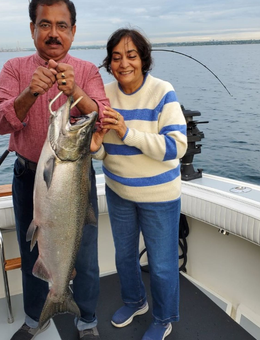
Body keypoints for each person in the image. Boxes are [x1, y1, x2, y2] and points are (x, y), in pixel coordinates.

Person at [0, 1, 109, 339]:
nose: (53, 33)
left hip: (75, 177)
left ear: (73, 31)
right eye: (45, 24)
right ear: (32, 29)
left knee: (83, 257)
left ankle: (86, 320)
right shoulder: (14, 69)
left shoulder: (86, 71)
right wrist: (30, 92)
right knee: (33, 254)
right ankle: (34, 317)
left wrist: (77, 92)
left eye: (61, 25)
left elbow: (103, 117)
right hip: (29, 177)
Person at [91, 28, 187, 340]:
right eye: (116, 57)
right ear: (109, 62)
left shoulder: (163, 91)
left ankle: (163, 318)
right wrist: (94, 148)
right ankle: (135, 302)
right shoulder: (103, 95)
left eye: (131, 56)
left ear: (143, 59)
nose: (124, 63)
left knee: (161, 265)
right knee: (124, 256)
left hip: (160, 196)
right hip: (119, 192)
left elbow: (176, 146)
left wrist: (127, 131)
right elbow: (105, 149)